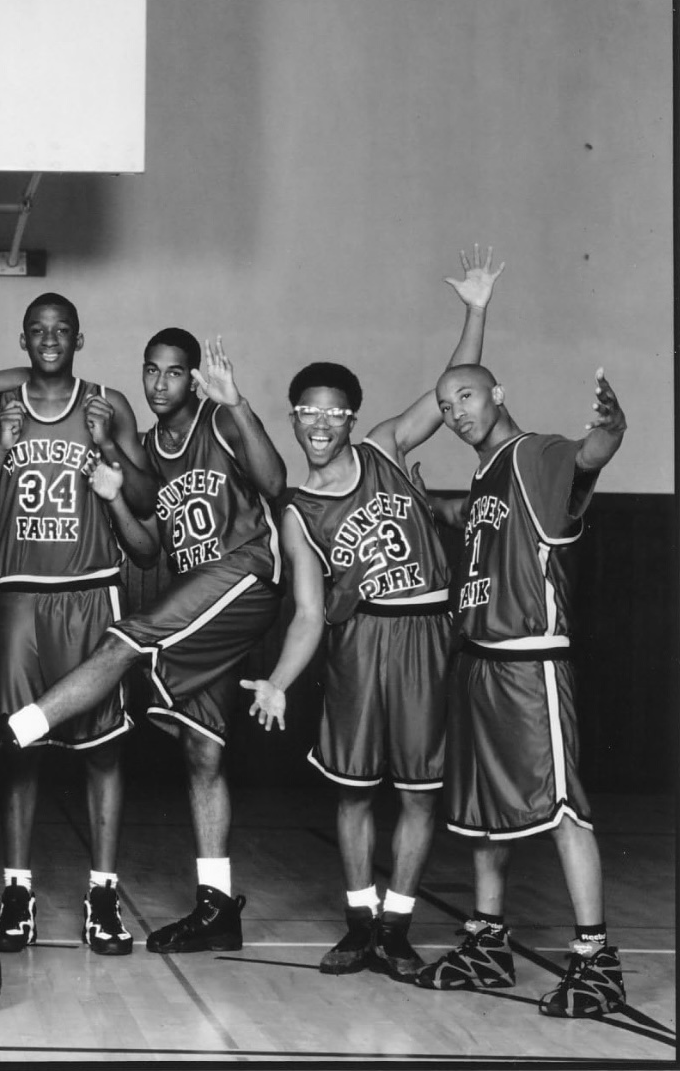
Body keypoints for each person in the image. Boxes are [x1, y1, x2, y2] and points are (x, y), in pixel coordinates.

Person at [0, 329, 287, 956]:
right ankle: (216, 905)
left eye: (174, 373)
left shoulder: (218, 420)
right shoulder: (146, 449)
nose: (159, 385)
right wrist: (114, 492)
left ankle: (15, 730)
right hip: (196, 609)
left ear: (192, 378)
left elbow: (275, 481)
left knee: (125, 639)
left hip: (244, 578)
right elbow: (146, 546)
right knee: (203, 755)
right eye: (150, 371)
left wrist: (237, 402)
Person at [281, 247, 499, 978]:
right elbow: (311, 614)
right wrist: (280, 680)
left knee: (417, 789)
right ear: (295, 420)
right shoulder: (298, 511)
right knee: (353, 790)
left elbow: (449, 392)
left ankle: (398, 928)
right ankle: (357, 923)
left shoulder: (385, 446)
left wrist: (475, 310)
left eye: (332, 413)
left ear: (350, 420)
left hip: (426, 632)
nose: (320, 423)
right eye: (307, 413)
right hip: (361, 638)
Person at [413, 359, 628, 1018]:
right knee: (482, 815)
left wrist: (613, 427)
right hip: (476, 662)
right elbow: (468, 515)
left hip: (528, 663)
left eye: (467, 396)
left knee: (561, 807)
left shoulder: (533, 455)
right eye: (446, 406)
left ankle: (597, 961)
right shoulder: (486, 478)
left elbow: (590, 453)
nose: (456, 412)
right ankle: (487, 940)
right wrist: (430, 505)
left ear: (498, 394)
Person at [0, 292, 155, 957]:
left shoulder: (108, 403)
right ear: (22, 339)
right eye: (37, 330)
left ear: (79, 338)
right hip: (20, 598)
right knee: (20, 749)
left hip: (93, 592)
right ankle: (17, 890)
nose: (48, 339)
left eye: (60, 330)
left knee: (104, 752)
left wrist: (109, 451)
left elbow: (150, 499)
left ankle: (102, 893)